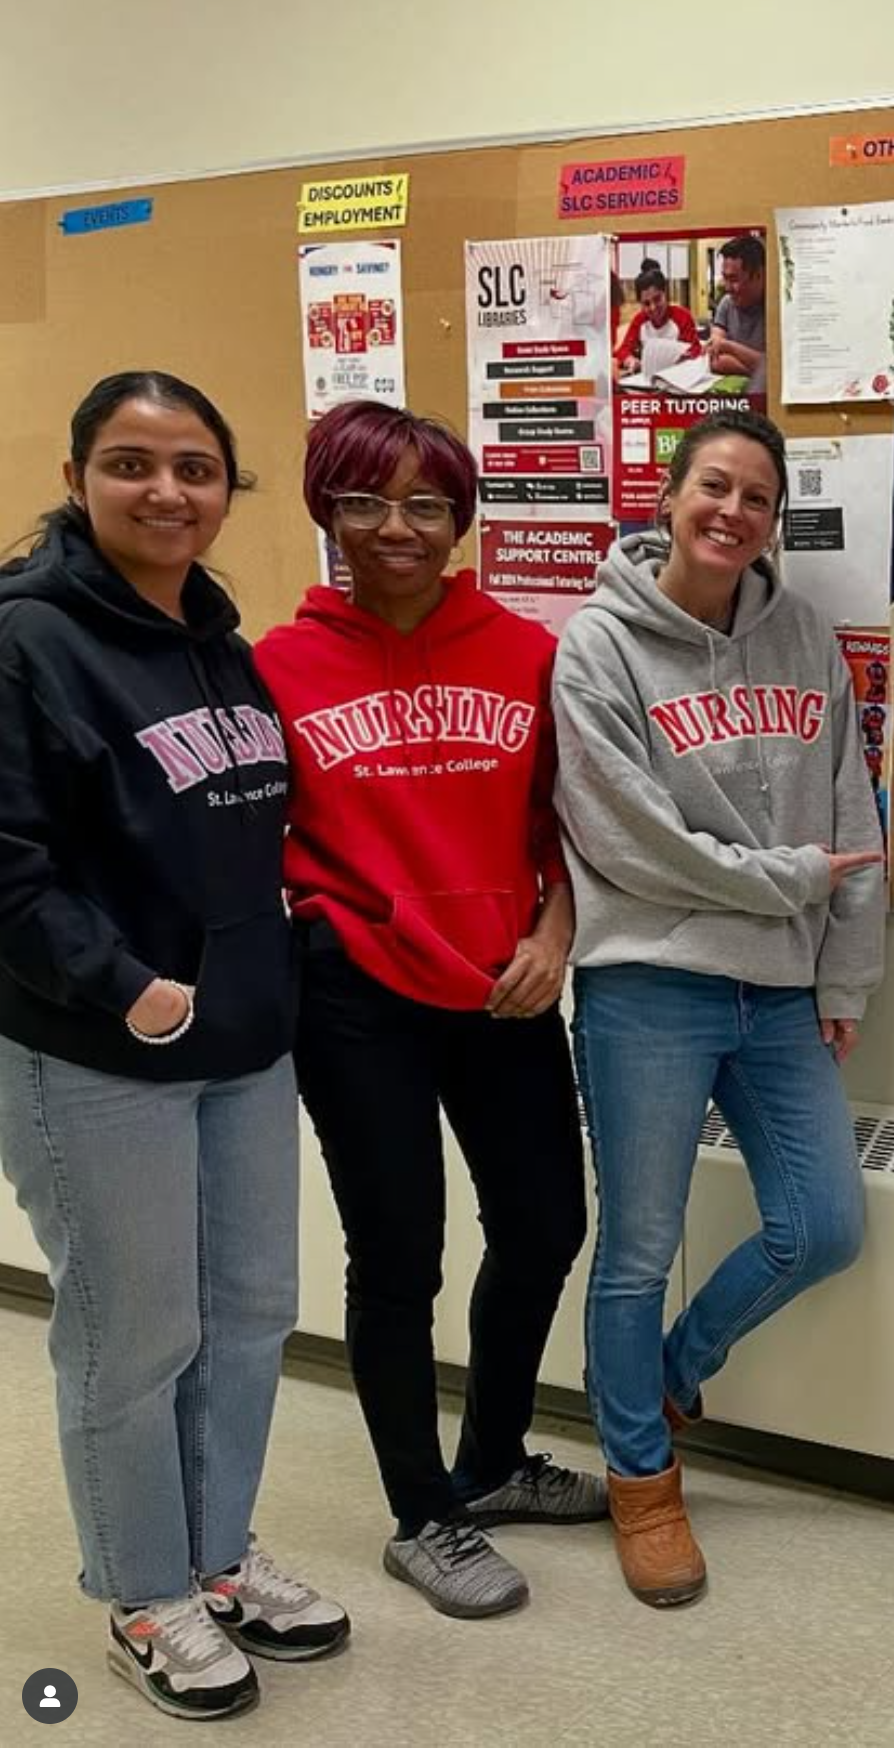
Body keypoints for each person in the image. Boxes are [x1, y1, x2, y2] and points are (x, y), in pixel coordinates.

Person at [0, 372, 349, 1722]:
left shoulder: (216, 638)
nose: (167, 493)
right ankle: (142, 1592)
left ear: (227, 486)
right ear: (82, 474)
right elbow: (11, 872)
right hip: (98, 1056)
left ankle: (215, 1555)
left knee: (251, 1314)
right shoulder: (26, 640)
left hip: (242, 1043)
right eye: (134, 464)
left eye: (196, 467)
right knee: (131, 1335)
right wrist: (129, 986)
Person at [254, 400, 602, 1623]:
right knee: (397, 1254)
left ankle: (495, 1457)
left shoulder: (526, 650)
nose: (395, 527)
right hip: (357, 993)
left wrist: (555, 933)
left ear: (462, 518)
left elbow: (568, 827)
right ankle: (424, 1510)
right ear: (325, 511)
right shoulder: (275, 666)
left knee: (546, 1223)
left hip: (504, 978)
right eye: (364, 501)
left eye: (424, 503)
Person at [552, 407, 885, 1606]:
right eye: (713, 486)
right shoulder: (597, 644)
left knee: (824, 1224)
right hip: (648, 978)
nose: (731, 511)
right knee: (636, 1246)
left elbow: (852, 810)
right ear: (670, 496)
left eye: (755, 496)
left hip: (781, 989)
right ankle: (640, 1479)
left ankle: (670, 1375)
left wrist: (840, 970)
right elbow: (619, 832)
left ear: (771, 518)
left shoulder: (802, 635)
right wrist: (781, 880)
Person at [614, 261, 702, 377]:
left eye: (657, 299)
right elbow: (622, 351)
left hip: (677, 377)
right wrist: (630, 360)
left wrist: (685, 357)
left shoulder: (682, 316)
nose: (653, 308)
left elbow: (696, 350)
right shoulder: (639, 320)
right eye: (646, 303)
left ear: (666, 294)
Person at [704, 234, 767, 394]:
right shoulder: (726, 303)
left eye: (733, 279)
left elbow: (778, 368)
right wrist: (759, 365)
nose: (726, 286)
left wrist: (729, 347)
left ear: (759, 275)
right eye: (725, 278)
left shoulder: (774, 309)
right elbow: (715, 362)